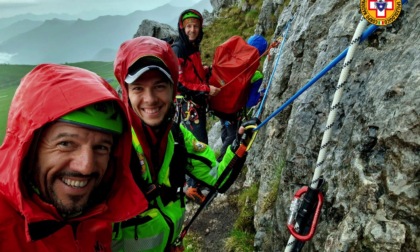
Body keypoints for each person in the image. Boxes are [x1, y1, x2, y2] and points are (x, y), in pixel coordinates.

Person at [112, 36, 259, 251]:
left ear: (173, 89)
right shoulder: (114, 150)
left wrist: (238, 147)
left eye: (159, 86)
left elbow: (217, 178)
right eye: (138, 89)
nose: (150, 99)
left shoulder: (177, 136)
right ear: (126, 93)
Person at [0, 63, 148, 251]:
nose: (86, 166)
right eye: (66, 144)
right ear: (29, 148)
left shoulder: (96, 213)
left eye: (101, 147)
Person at [171, 9, 221, 202]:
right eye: (189, 26)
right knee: (196, 144)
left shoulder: (192, 46)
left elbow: (192, 73)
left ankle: (194, 183)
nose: (192, 30)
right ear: (183, 27)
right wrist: (205, 89)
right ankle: (193, 187)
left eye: (195, 26)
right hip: (187, 105)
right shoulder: (179, 49)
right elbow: (179, 82)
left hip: (193, 104)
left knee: (198, 142)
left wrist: (205, 71)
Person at [217, 34, 268, 162]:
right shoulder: (255, 76)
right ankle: (220, 164)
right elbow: (250, 102)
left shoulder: (232, 63)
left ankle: (224, 157)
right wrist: (261, 95)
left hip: (218, 103)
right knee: (232, 136)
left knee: (225, 130)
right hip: (233, 109)